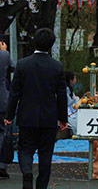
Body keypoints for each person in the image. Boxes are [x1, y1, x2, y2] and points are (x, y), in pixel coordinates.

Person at [5, 28, 67, 189]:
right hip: (48, 117)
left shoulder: (23, 64)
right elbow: (61, 95)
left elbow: (14, 93)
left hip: (27, 115)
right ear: (51, 45)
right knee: (46, 153)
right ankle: (42, 185)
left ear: (35, 42)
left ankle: (27, 172)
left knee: (25, 149)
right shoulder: (57, 67)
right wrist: (63, 118)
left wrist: (9, 115)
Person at [0, 37, 13, 179]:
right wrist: (4, 51)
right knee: (3, 131)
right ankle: (2, 164)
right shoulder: (4, 55)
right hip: (1, 100)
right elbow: (13, 67)